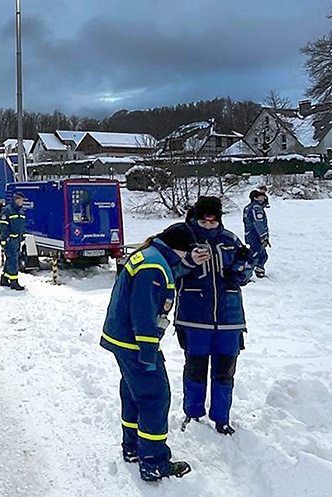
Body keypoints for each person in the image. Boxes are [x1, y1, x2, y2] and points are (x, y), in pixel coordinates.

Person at [99, 223, 199, 482]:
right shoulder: (154, 267)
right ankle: (154, 462)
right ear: (179, 249)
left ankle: (132, 448)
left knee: (134, 394)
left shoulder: (152, 256)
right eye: (187, 252)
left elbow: (169, 273)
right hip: (135, 343)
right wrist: (147, 350)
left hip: (122, 339)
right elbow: (142, 311)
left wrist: (188, 265)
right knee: (155, 397)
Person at [175, 196, 253, 435]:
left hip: (230, 320)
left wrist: (239, 270)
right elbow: (170, 272)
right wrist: (189, 262)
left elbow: (247, 271)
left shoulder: (230, 240)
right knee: (195, 369)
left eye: (213, 220)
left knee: (225, 371)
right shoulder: (183, 240)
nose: (209, 225)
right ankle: (193, 414)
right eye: (204, 220)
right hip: (194, 319)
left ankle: (222, 418)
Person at [0, 191, 27, 290]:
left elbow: (21, 226)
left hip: (17, 240)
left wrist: (22, 237)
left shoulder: (20, 211)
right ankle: (14, 282)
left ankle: (4, 279)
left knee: (12, 259)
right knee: (13, 260)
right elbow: (3, 226)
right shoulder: (7, 210)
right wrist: (4, 239)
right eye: (21, 200)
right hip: (10, 239)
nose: (22, 202)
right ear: (16, 200)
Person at [243, 189, 270, 278]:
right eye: (261, 196)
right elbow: (258, 222)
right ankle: (246, 275)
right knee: (256, 255)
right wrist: (263, 236)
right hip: (255, 236)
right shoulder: (256, 208)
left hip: (250, 234)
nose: (264, 197)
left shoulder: (248, 207)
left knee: (262, 255)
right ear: (255, 198)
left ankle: (259, 272)